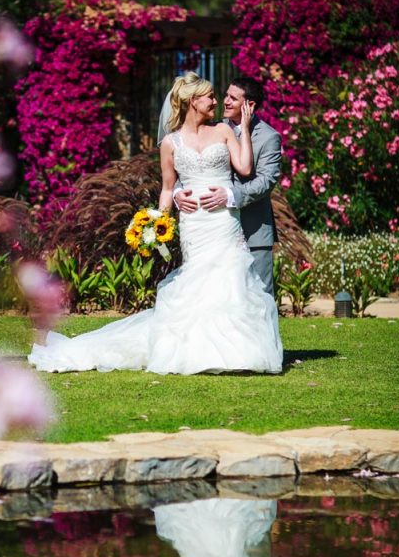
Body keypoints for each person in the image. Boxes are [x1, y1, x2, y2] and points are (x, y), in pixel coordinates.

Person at [28, 73, 282, 374]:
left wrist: (232, 182)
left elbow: (252, 172)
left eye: (225, 97)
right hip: (195, 223)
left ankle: (237, 353)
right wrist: (159, 221)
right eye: (212, 96)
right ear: (191, 101)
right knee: (198, 284)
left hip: (225, 221)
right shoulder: (171, 142)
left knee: (230, 282)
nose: (218, 101)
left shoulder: (228, 132)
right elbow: (167, 185)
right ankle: (195, 351)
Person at [158, 76, 281, 296]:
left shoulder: (269, 137)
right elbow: (186, 172)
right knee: (203, 288)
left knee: (257, 295)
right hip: (200, 223)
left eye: (232, 98)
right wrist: (177, 194)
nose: (223, 101)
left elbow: (266, 181)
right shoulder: (214, 127)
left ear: (249, 105)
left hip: (250, 227)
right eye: (223, 95)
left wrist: (230, 196)